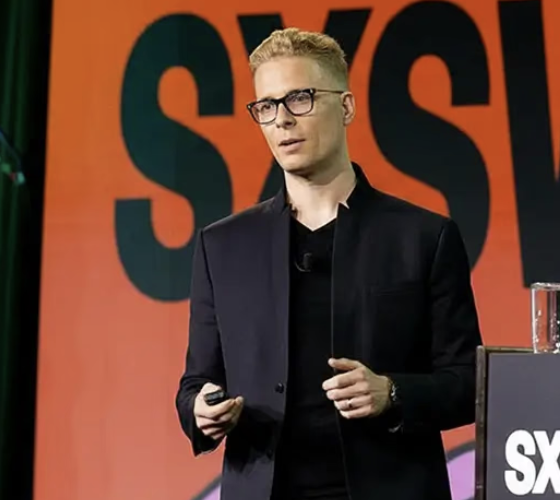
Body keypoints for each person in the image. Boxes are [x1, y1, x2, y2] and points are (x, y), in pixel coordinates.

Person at [174, 27, 484, 500]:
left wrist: (392, 392)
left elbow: (468, 382)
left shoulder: (423, 237)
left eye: (300, 99)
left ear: (346, 107)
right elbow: (195, 384)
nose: (282, 119)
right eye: (267, 106)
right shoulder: (222, 246)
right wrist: (201, 410)